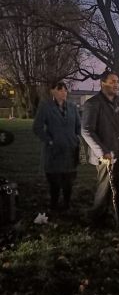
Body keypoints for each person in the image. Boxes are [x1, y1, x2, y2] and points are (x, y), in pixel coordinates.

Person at [81, 70, 119, 223]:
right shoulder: (93, 103)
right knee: (105, 186)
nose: (116, 84)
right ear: (102, 83)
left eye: (117, 82)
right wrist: (102, 152)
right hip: (107, 151)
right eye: (112, 81)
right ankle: (98, 217)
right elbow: (86, 130)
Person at [33, 81, 81, 211]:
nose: (63, 93)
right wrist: (49, 140)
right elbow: (37, 127)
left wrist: (76, 138)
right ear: (53, 92)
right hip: (54, 150)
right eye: (59, 90)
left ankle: (66, 204)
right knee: (54, 180)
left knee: (68, 181)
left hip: (70, 149)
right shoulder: (46, 107)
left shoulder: (72, 107)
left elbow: (78, 126)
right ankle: (54, 205)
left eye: (65, 90)